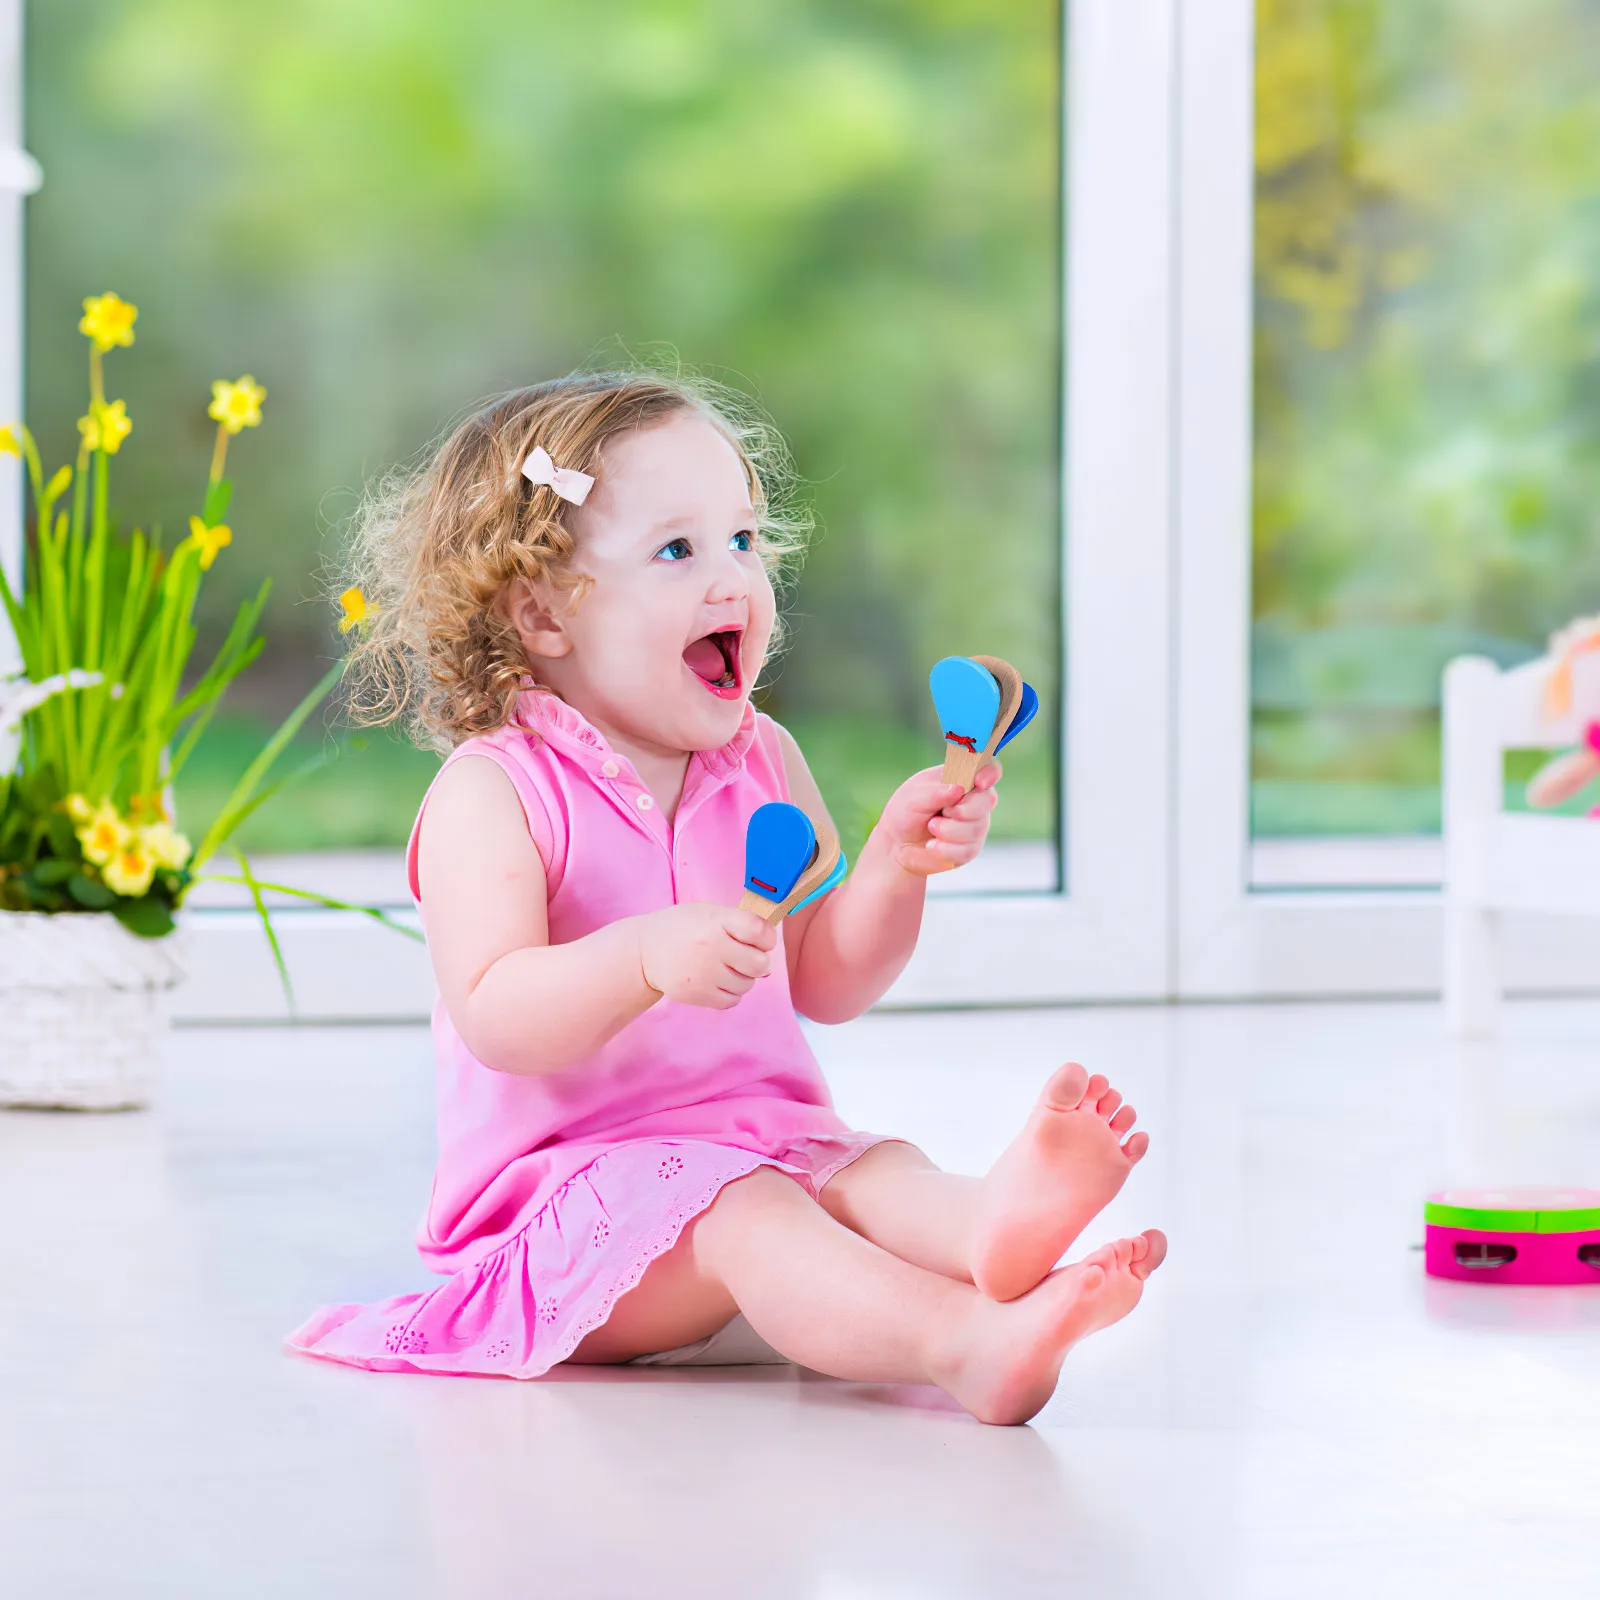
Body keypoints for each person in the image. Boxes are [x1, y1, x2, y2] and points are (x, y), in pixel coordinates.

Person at [287, 371, 1164, 1425]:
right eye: (678, 550)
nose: (733, 579)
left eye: (744, 541)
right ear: (542, 611)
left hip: (761, 1143)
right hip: (563, 1215)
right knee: (749, 1207)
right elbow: (497, 1014)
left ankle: (988, 1227)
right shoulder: (495, 789)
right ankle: (963, 1340)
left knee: (871, 1168)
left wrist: (894, 864)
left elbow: (828, 978)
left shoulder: (764, 762)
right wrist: (643, 955)